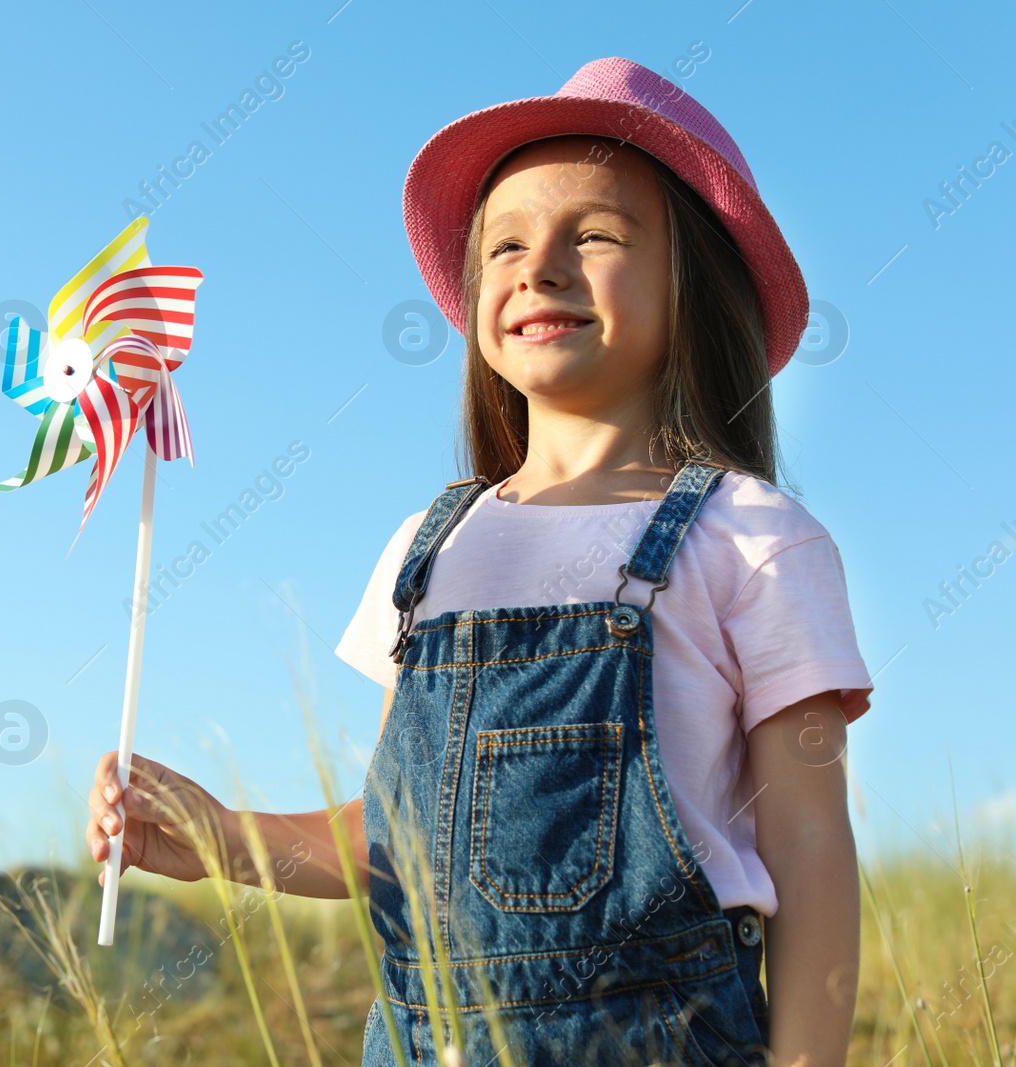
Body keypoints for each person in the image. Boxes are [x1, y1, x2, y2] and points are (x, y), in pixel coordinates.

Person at [85, 56, 872, 1067]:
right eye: (503, 243)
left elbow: (808, 849)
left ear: (695, 282)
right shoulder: (428, 546)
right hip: (425, 1040)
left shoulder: (752, 538)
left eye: (591, 234)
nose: (537, 266)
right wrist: (219, 835)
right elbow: (395, 829)